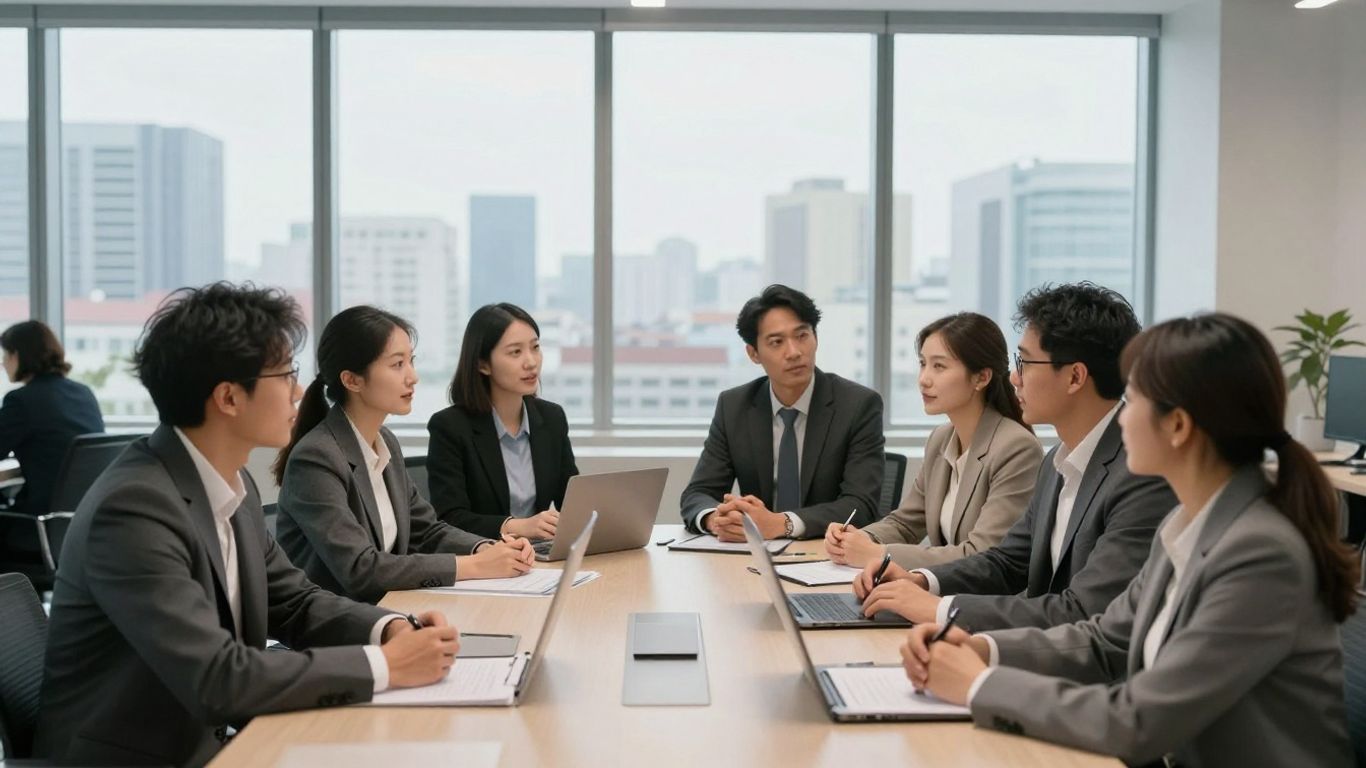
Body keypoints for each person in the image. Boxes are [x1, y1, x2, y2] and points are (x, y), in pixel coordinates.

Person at [901, 312, 1355, 767]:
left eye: (1132, 399)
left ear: (1177, 427)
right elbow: (1103, 641)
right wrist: (983, 649)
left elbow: (1137, 721)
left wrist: (978, 684)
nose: (1121, 416)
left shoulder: (1260, 553)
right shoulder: (1184, 524)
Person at [35, 283, 460, 768]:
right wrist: (385, 666)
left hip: (218, 743)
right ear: (229, 398)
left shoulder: (231, 486)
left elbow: (295, 603)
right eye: (285, 375)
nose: (299, 391)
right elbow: (218, 679)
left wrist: (389, 630)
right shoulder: (134, 509)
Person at [857, 283, 1175, 631]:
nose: (1013, 377)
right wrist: (921, 580)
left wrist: (939, 610)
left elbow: (1083, 612)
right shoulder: (1058, 461)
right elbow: (1008, 563)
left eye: (1024, 362)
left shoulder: (1141, 472)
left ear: (1074, 376)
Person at [275, 305, 534, 604]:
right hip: (336, 628)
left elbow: (426, 531)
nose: (413, 377)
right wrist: (472, 566)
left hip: (389, 609)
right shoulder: (316, 458)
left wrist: (486, 548)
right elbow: (360, 569)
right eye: (397, 365)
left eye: (411, 361)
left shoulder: (384, 442)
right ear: (352, 380)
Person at [826, 312, 1041, 569]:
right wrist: (858, 538)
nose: (923, 379)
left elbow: (984, 554)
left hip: (984, 601)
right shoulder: (941, 439)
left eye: (939, 366)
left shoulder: (1016, 448)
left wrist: (877, 553)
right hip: (943, 592)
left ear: (981, 377)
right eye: (922, 363)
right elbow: (905, 524)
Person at [680, 284, 884, 541]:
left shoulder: (858, 405)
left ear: (815, 338)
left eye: (802, 336)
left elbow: (860, 505)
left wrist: (782, 524)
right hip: (754, 557)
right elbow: (698, 492)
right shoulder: (734, 406)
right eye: (777, 342)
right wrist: (716, 520)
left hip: (827, 554)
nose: (794, 352)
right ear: (754, 353)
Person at [427, 303, 578, 540]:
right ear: (482, 364)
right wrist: (518, 526)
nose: (531, 362)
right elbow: (450, 518)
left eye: (535, 347)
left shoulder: (552, 419)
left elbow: (572, 501)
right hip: (485, 559)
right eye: (515, 352)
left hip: (539, 558)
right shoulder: (450, 427)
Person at [0, 320, 105, 516]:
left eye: (5, 355)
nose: (3, 363)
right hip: (81, 520)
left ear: (17, 356)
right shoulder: (83, 393)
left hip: (38, 522)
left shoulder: (21, 400)